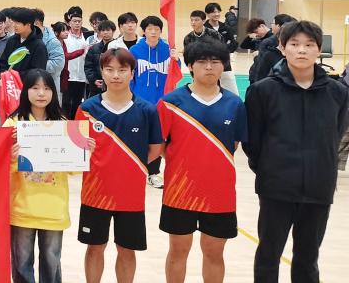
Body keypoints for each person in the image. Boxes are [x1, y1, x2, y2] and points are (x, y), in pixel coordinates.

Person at [245, 20, 348, 283]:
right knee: (268, 255)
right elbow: (253, 142)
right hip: (276, 187)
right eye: (294, 44)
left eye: (309, 45)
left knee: (308, 259)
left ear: (319, 49)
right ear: (282, 48)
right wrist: (270, 169)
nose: (302, 50)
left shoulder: (337, 92)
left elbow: (335, 135)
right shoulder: (263, 90)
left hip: (319, 188)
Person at [158, 39, 247, 283]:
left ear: (223, 66)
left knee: (214, 252)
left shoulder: (234, 104)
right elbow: (161, 146)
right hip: (179, 192)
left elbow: (234, 144)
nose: (209, 67)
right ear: (190, 66)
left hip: (219, 193)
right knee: (178, 251)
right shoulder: (170, 103)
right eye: (202, 62)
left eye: (215, 62)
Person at [76, 48, 164, 283]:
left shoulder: (147, 110)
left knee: (127, 249)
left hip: (130, 194)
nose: (116, 75)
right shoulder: (87, 109)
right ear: (102, 72)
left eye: (122, 70)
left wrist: (130, 164)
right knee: (95, 247)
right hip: (95, 193)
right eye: (110, 69)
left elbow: (156, 148)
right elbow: (75, 148)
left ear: (132, 73)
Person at [6, 68, 95, 283]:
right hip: (22, 208)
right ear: (25, 91)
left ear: (54, 92)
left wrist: (85, 153)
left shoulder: (63, 123)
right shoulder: (12, 125)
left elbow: (73, 169)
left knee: (51, 262)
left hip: (53, 209)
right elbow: (0, 170)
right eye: (35, 88)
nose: (41, 93)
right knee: (21, 264)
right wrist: (11, 157)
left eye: (47, 88)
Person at [130, 15, 175, 188]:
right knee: (138, 137)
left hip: (162, 103)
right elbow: (130, 76)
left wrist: (176, 60)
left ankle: (154, 173)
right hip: (140, 102)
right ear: (144, 31)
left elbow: (175, 75)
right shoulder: (135, 50)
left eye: (157, 29)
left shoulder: (168, 50)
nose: (153, 32)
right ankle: (136, 169)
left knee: (158, 138)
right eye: (150, 29)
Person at [0, 8, 49, 80]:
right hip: (9, 83)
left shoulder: (39, 46)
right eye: (13, 22)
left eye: (17, 23)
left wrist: (15, 76)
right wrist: (4, 76)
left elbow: (38, 72)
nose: (14, 25)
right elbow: (3, 62)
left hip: (27, 85)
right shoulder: (11, 40)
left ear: (28, 24)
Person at [62, 12, 90, 119]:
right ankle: (65, 122)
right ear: (69, 23)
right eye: (74, 21)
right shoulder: (65, 37)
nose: (77, 23)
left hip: (82, 77)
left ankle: (75, 123)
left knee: (77, 103)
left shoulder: (86, 38)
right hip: (68, 76)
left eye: (79, 21)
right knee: (66, 102)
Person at [83, 20, 117, 96]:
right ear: (99, 32)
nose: (105, 33)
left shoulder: (118, 47)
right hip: (96, 87)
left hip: (114, 84)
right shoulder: (93, 48)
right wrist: (94, 80)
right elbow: (88, 67)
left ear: (113, 31)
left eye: (108, 30)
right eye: (103, 30)